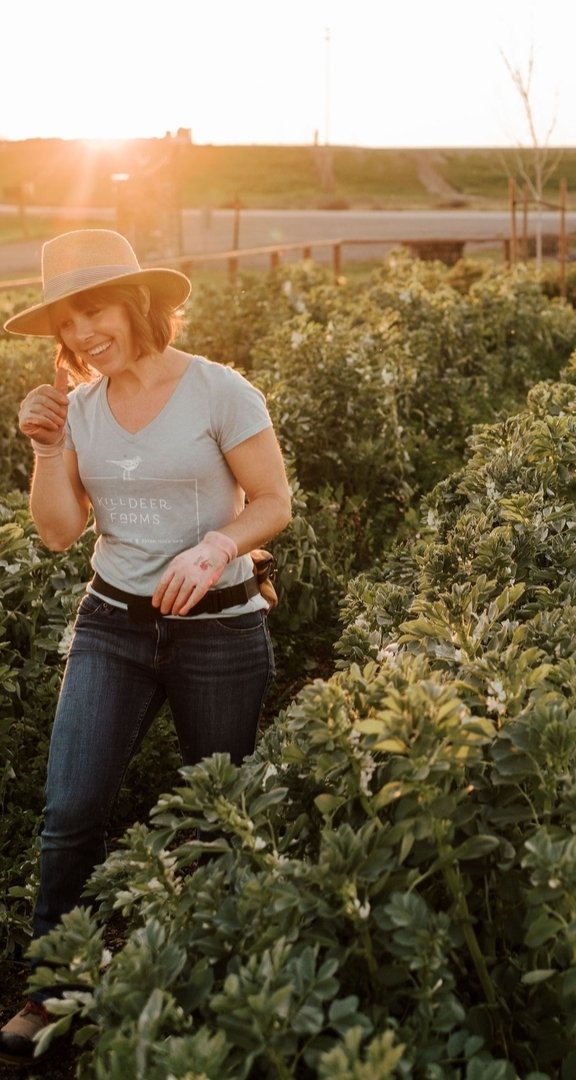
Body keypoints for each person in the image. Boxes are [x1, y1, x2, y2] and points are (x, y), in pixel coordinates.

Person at [0, 229, 292, 1064]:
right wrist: (48, 448)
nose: (83, 334)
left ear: (137, 304)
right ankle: (55, 984)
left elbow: (273, 501)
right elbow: (59, 534)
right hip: (113, 625)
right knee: (71, 808)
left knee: (218, 815)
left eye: (95, 311)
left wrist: (214, 550)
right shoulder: (77, 410)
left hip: (221, 629)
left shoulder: (218, 390)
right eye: (67, 321)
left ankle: (208, 975)